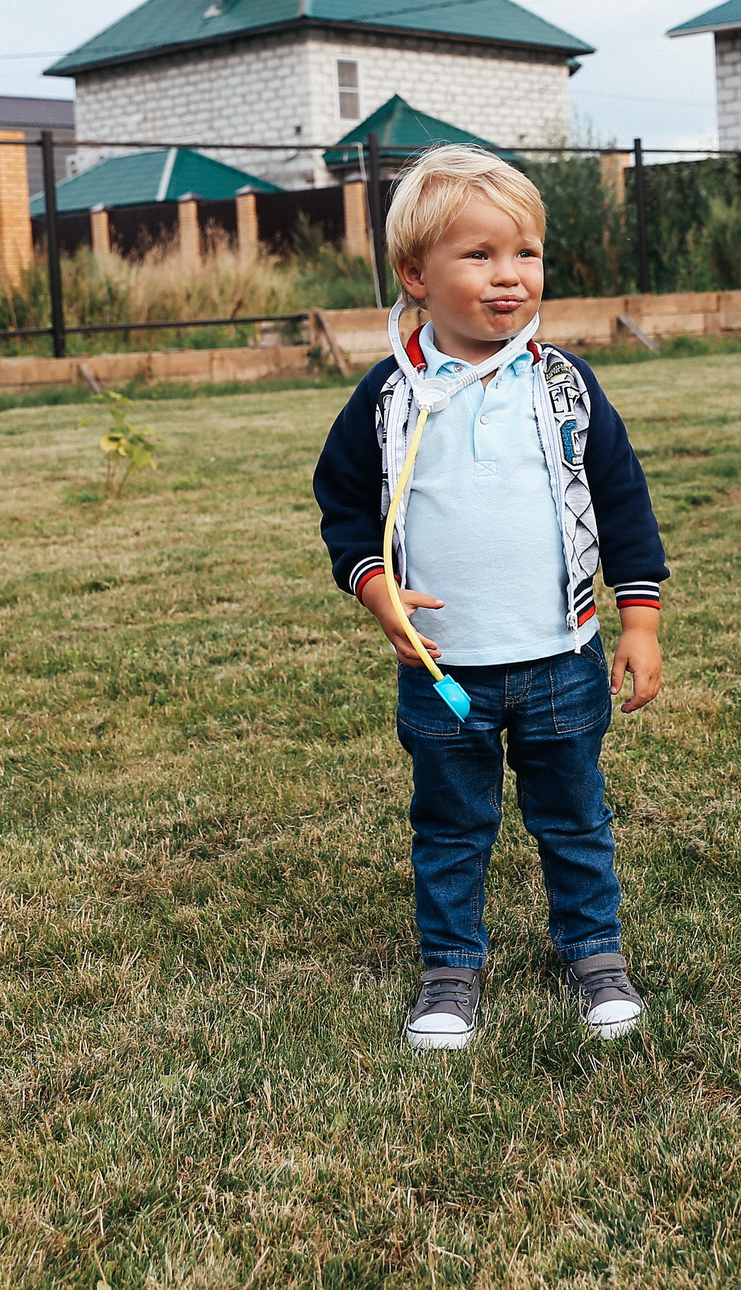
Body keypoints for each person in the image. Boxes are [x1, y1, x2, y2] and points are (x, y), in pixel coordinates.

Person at [312, 145, 667, 1051]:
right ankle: (449, 969)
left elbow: (622, 500)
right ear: (415, 275)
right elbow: (343, 503)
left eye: (526, 253)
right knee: (451, 826)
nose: (509, 275)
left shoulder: (565, 385)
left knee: (574, 817)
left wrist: (639, 620)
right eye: (478, 254)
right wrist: (375, 587)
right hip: (445, 670)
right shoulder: (390, 396)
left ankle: (595, 954)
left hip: (561, 657)